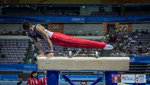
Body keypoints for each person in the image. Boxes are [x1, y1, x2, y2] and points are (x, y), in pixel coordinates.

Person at [22, 22, 113, 57]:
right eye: (28, 30)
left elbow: (47, 39)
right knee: (77, 45)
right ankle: (101, 46)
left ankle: (103, 45)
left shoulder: (38, 28)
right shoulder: (28, 33)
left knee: (78, 41)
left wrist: (51, 52)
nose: (30, 31)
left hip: (55, 37)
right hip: (55, 41)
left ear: (31, 25)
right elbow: (36, 43)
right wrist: (42, 53)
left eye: (30, 29)